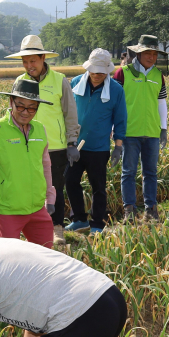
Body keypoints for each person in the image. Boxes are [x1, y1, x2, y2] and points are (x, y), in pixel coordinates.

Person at [0, 80, 55, 248]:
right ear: (11, 102)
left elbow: (45, 166)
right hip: (8, 211)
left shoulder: (40, 129)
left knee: (46, 257)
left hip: (37, 209)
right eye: (20, 106)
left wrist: (50, 197)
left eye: (32, 107)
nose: (26, 112)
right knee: (6, 261)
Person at [10, 35, 80, 245]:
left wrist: (71, 143)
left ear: (42, 58)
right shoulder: (19, 83)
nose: (28, 65)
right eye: (25, 61)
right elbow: (12, 115)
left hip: (55, 146)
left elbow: (70, 113)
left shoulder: (59, 81)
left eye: (33, 60)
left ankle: (56, 228)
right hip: (27, 146)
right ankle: (33, 229)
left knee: (55, 189)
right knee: (29, 187)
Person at [65, 49, 126, 234]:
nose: (96, 75)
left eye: (101, 72)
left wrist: (118, 147)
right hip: (75, 145)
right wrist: (69, 144)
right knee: (70, 181)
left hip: (98, 148)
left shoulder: (115, 89)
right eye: (93, 71)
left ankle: (98, 223)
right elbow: (66, 113)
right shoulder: (75, 84)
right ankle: (79, 219)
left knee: (98, 186)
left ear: (107, 71)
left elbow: (120, 119)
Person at [111, 35, 169, 221]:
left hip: (152, 132)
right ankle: (129, 210)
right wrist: (114, 127)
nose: (151, 57)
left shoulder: (158, 75)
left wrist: (163, 128)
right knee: (128, 172)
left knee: (150, 172)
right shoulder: (123, 73)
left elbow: (162, 102)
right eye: (147, 53)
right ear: (138, 52)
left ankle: (150, 209)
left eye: (154, 53)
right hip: (129, 132)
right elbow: (115, 101)